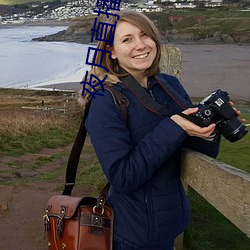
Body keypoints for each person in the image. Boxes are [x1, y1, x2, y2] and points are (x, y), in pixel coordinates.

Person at [80, 10, 239, 250]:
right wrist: (174, 126)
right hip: (133, 236)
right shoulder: (105, 100)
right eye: (127, 40)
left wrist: (212, 126)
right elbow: (122, 177)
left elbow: (198, 152)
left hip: (171, 226)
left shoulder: (168, 85)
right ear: (111, 52)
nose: (140, 45)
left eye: (145, 35)